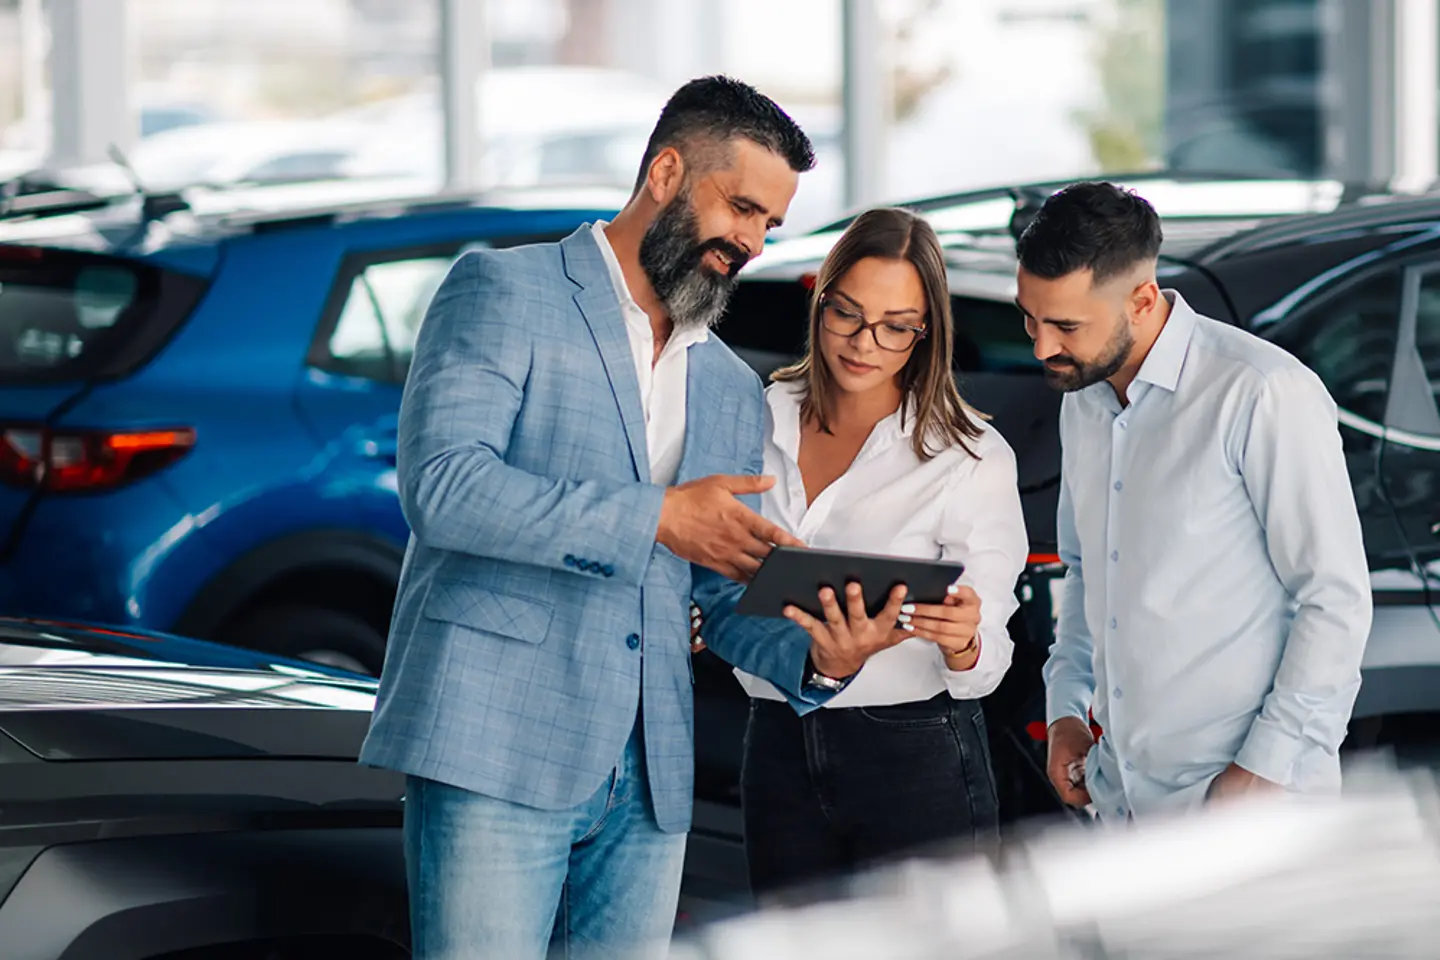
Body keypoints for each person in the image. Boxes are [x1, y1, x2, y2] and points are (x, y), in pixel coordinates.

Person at [358, 76, 816, 959]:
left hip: (650, 782)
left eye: (771, 225)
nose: (752, 242)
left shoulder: (726, 383)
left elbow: (716, 599)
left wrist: (818, 653)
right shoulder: (502, 289)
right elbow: (446, 487)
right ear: (667, 172)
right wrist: (656, 518)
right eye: (743, 208)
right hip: (494, 747)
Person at [694, 207, 1028, 901]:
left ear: (925, 331)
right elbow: (713, 570)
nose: (864, 342)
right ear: (819, 297)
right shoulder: (758, 416)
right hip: (777, 740)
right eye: (846, 313)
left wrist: (965, 641)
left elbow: (988, 655)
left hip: (914, 754)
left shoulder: (968, 457)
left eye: (895, 326)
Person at [1016, 182, 1373, 823]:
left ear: (1143, 299)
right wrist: (1066, 708)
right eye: (1030, 318)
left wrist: (1261, 769)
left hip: (1249, 810)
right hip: (1120, 802)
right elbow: (1085, 577)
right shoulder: (1083, 402)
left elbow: (1335, 600)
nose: (1042, 348)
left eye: (1066, 325)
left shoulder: (1262, 393)